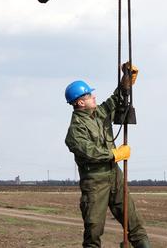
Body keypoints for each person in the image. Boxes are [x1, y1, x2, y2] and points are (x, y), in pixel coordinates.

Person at [64, 63, 150, 248]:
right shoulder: (75, 131)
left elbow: (116, 99)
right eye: (89, 95)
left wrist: (126, 79)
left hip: (115, 177)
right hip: (95, 184)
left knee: (135, 225)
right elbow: (90, 152)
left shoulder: (100, 114)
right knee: (93, 233)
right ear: (80, 102)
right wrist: (115, 154)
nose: (93, 96)